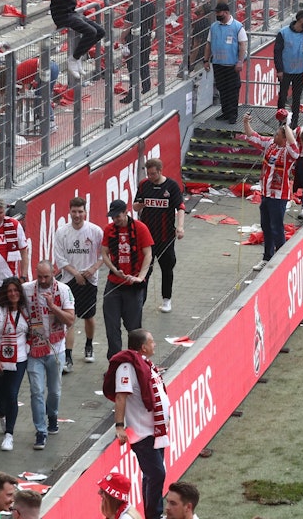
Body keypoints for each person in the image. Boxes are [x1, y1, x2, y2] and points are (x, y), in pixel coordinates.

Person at [106, 329, 171, 519]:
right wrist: (119, 426)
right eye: (152, 341)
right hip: (142, 434)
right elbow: (120, 396)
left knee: (152, 475)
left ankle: (152, 514)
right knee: (157, 474)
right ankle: (154, 515)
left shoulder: (144, 364)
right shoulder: (127, 368)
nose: (154, 344)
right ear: (143, 347)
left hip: (156, 431)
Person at [24, 260, 75, 450]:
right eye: (40, 276)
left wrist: (53, 307)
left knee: (54, 391)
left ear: (53, 274)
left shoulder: (63, 290)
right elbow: (8, 296)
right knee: (36, 391)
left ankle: (52, 415)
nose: (43, 280)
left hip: (56, 348)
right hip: (34, 350)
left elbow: (70, 320)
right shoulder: (27, 289)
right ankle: (40, 431)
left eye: (46, 276)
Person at [52, 196, 102, 368]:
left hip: (90, 280)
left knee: (89, 316)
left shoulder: (95, 231)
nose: (77, 215)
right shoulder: (62, 232)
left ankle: (89, 346)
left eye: (80, 211)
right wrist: (76, 274)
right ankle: (68, 356)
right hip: (68, 281)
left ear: (85, 212)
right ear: (69, 212)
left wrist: (92, 269)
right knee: (70, 319)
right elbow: (60, 258)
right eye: (74, 211)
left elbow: (105, 255)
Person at [100, 201, 152, 360]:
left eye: (118, 216)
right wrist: (115, 270)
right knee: (112, 326)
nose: (115, 219)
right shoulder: (109, 230)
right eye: (113, 217)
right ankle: (115, 361)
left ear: (126, 212)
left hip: (133, 286)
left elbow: (148, 254)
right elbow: (104, 253)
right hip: (114, 284)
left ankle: (136, 361)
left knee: (134, 329)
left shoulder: (140, 228)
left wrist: (140, 278)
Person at [242, 114, 296, 261]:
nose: (274, 135)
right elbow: (253, 136)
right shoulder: (270, 144)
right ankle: (267, 258)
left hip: (279, 197)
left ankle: (282, 260)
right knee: (266, 227)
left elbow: (294, 148)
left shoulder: (288, 153)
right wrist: (246, 122)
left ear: (285, 138)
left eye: (277, 134)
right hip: (266, 195)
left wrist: (287, 125)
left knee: (277, 228)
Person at [134, 159, 185, 314]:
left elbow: (181, 207)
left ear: (160, 171)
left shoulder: (172, 186)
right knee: (144, 270)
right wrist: (141, 204)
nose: (150, 176)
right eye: (148, 173)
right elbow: (135, 205)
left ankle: (166, 299)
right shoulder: (144, 185)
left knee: (167, 268)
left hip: (165, 236)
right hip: (147, 238)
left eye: (153, 173)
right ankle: (140, 301)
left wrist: (180, 227)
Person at [0, 277, 28, 452]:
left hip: (20, 359)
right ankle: (2, 415)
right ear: (4, 293)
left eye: (16, 290)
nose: (13, 294)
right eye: (9, 291)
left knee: (12, 394)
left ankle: (9, 434)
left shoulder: (26, 309)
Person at [50, 0, 106, 83]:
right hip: (62, 15)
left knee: (100, 32)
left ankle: (78, 55)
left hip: (72, 12)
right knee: (90, 31)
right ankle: (73, 59)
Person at [202, 2, 247, 124]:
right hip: (218, 64)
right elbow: (209, 44)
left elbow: (243, 45)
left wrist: (240, 62)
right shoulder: (214, 27)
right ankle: (225, 112)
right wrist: (206, 60)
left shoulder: (237, 27)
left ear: (226, 12)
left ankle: (233, 115)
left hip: (232, 65)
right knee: (222, 89)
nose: (217, 15)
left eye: (218, 12)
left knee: (232, 90)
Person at [0, 196, 30, 289]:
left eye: (1, 213)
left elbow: (24, 252)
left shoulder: (14, 225)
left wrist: (23, 277)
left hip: (9, 284)